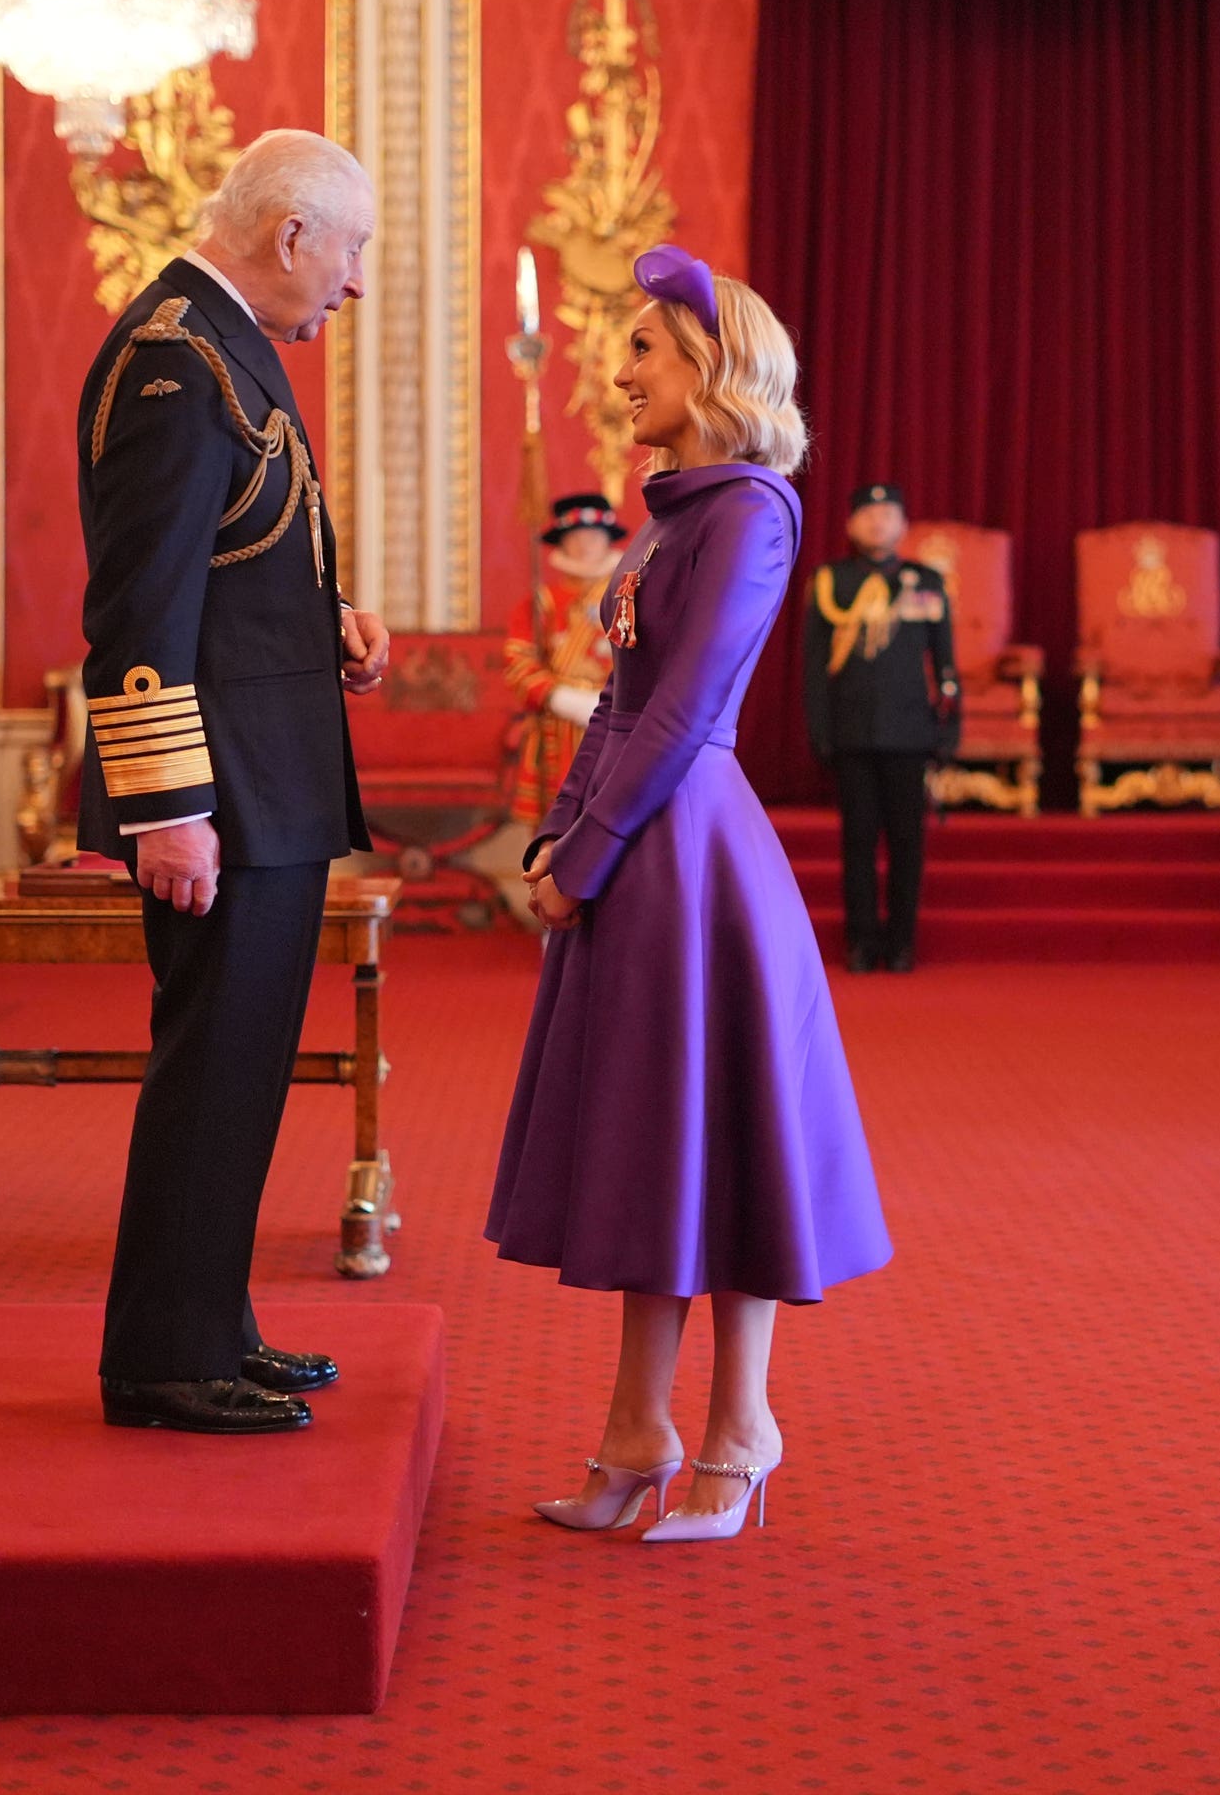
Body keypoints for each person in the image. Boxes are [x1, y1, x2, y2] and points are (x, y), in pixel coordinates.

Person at [494, 242, 891, 1542]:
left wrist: (592, 853)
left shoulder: (753, 511)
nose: (619, 372)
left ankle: (742, 1429)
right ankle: (637, 1427)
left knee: (726, 1141)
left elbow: (682, 712)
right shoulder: (676, 510)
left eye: (646, 350)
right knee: (659, 1152)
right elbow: (615, 697)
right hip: (640, 845)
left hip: (693, 855)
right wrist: (558, 840)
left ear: (713, 364)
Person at [77, 130, 392, 1435]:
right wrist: (167, 810)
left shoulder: (224, 342)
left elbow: (229, 565)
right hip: (221, 799)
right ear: (291, 239)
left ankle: (212, 1324)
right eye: (353, 252)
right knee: (212, 1072)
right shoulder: (174, 361)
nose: (355, 285)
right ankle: (163, 1357)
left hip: (267, 782)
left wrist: (327, 621)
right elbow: (137, 608)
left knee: (245, 1073)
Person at [802, 482, 959, 972]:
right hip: (853, 733)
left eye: (888, 514)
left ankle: (902, 941)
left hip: (911, 733)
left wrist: (947, 732)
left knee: (908, 842)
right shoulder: (831, 582)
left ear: (904, 525)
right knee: (858, 840)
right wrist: (821, 731)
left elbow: (947, 667)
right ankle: (861, 941)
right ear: (851, 524)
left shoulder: (927, 581)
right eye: (868, 515)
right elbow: (813, 667)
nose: (878, 523)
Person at [505, 492, 623, 826]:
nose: (585, 546)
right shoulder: (542, 603)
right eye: (577, 538)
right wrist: (560, 697)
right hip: (554, 734)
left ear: (607, 541)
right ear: (562, 543)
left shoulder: (627, 597)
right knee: (551, 830)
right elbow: (518, 662)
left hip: (612, 728)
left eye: (593, 537)